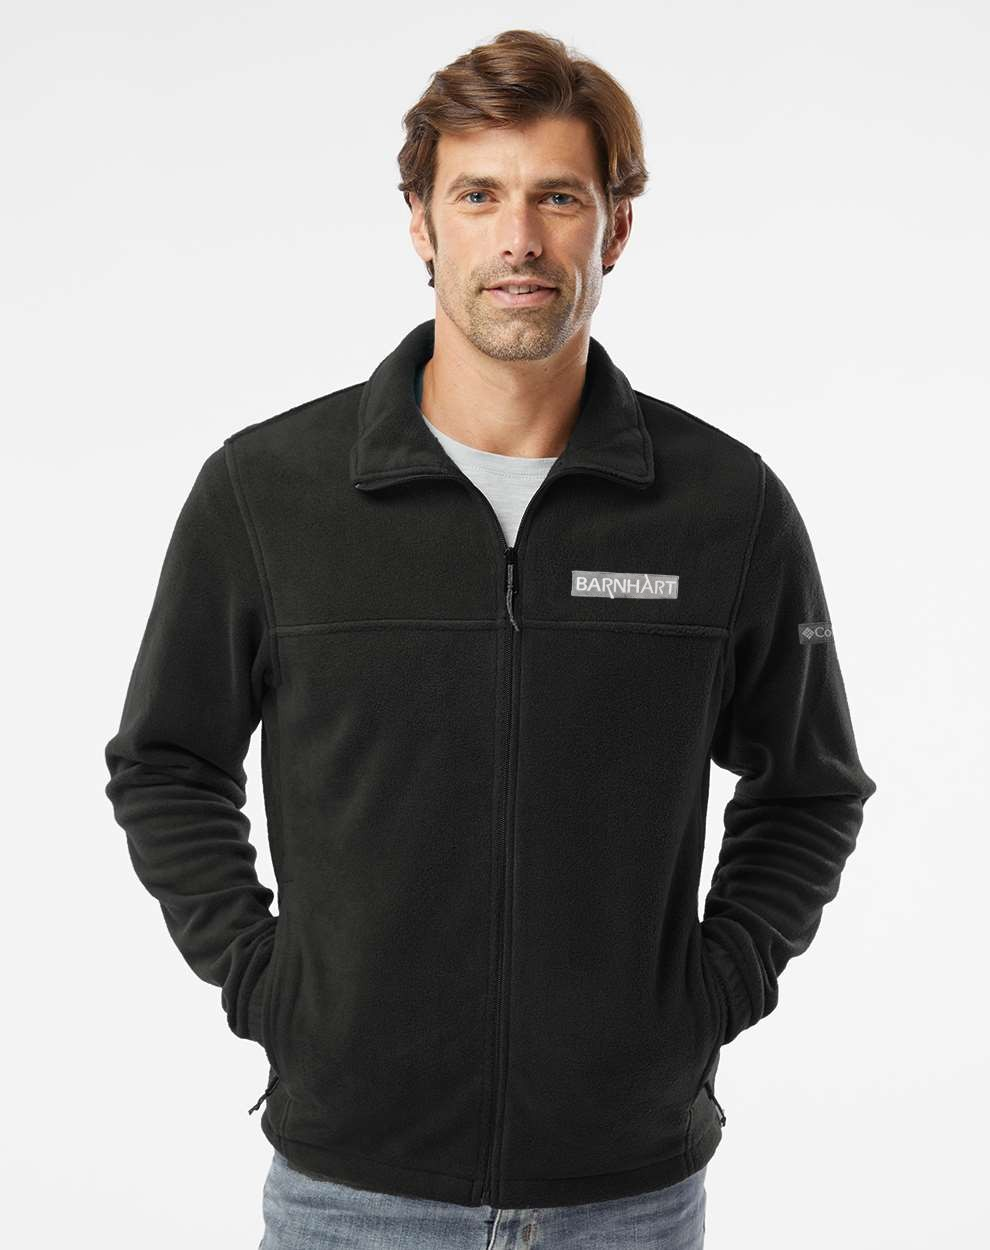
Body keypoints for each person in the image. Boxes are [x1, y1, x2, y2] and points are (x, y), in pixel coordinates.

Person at [103, 27, 876, 1250]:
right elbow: (165, 761)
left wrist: (708, 993)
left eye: (557, 197)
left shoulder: (726, 507)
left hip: (626, 1193)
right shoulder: (269, 493)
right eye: (478, 195)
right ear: (420, 223)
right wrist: (270, 983)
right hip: (352, 1191)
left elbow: (811, 787)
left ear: (614, 228)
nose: (519, 238)